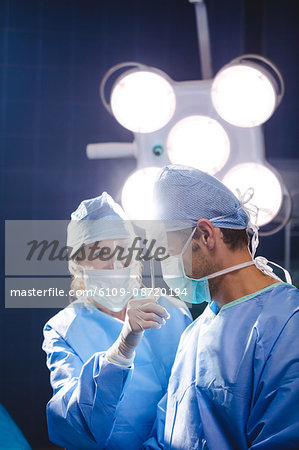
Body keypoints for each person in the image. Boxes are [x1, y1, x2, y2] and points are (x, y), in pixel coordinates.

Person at [144, 165, 299, 449]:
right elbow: (167, 435)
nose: (165, 259)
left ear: (205, 234)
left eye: (169, 245)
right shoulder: (195, 333)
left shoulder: (288, 324)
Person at [42, 192, 192, 450]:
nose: (115, 264)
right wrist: (122, 350)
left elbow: (191, 402)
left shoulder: (173, 313)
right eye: (100, 253)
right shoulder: (64, 329)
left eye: (123, 251)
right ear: (78, 264)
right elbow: (75, 427)